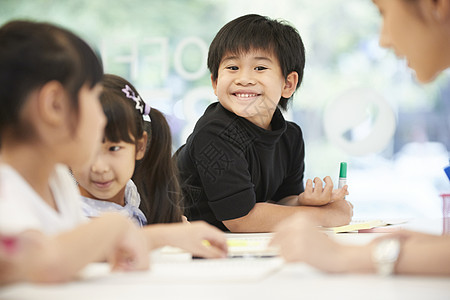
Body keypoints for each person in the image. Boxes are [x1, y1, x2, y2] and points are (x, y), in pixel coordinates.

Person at [271, 0, 450, 276]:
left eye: (384, 12)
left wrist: (344, 256)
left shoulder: (289, 136)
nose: (383, 40)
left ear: (437, 5)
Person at [0, 20, 149, 283]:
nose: (100, 119)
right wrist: (114, 224)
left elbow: (78, 251)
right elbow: (37, 261)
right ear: (55, 105)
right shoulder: (5, 186)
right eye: (93, 96)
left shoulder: (57, 180)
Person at [175, 14, 352, 233]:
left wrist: (305, 202)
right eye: (232, 68)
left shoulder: (291, 136)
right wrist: (325, 215)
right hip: (180, 247)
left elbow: (283, 201)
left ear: (288, 84)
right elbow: (241, 218)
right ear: (215, 81)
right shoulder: (215, 132)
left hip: (234, 247)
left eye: (259, 68)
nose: (244, 78)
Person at [71, 74, 228, 258]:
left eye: (114, 148)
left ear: (140, 146)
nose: (99, 167)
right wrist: (167, 236)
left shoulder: (133, 193)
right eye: (85, 149)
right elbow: (93, 249)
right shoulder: (67, 209)